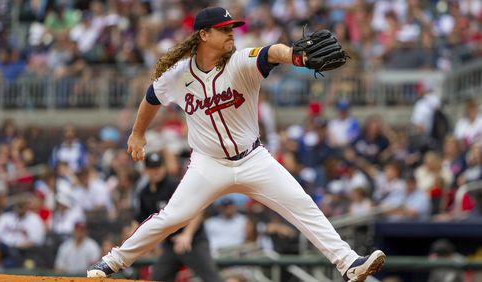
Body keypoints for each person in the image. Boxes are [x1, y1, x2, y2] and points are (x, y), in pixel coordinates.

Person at [87, 7, 386, 282]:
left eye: (232, 27)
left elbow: (272, 53)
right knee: (171, 218)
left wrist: (297, 57)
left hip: (253, 159)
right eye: (223, 28)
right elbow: (151, 98)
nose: (231, 32)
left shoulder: (241, 62)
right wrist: (137, 134)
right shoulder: (178, 75)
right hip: (208, 164)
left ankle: (348, 263)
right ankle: (110, 263)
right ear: (204, 34)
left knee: (302, 204)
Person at [133, 151, 222, 282]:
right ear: (146, 170)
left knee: (212, 279)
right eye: (152, 168)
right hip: (170, 244)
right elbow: (139, 221)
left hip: (193, 241)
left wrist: (187, 235)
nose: (156, 171)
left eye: (158, 167)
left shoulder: (175, 185)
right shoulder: (144, 193)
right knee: (156, 278)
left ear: (164, 167)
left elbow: (199, 209)